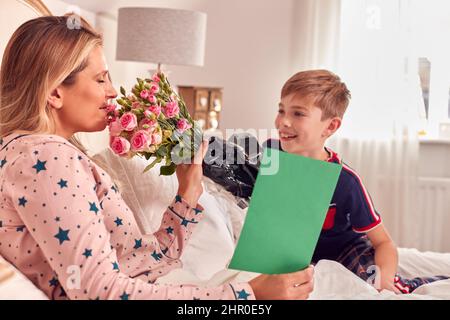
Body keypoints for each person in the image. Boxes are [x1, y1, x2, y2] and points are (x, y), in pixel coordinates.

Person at [0, 15, 314, 300]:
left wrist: (188, 190)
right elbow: (100, 292)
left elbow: (142, 264)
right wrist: (246, 296)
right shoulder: (46, 158)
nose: (113, 91)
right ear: (55, 92)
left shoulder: (29, 152)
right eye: (100, 79)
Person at [266, 69, 448, 294]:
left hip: (346, 252)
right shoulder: (270, 156)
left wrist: (385, 278)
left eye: (298, 114)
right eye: (281, 110)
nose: (283, 121)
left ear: (330, 126)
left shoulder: (345, 182)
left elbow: (384, 243)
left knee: (376, 287)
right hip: (299, 258)